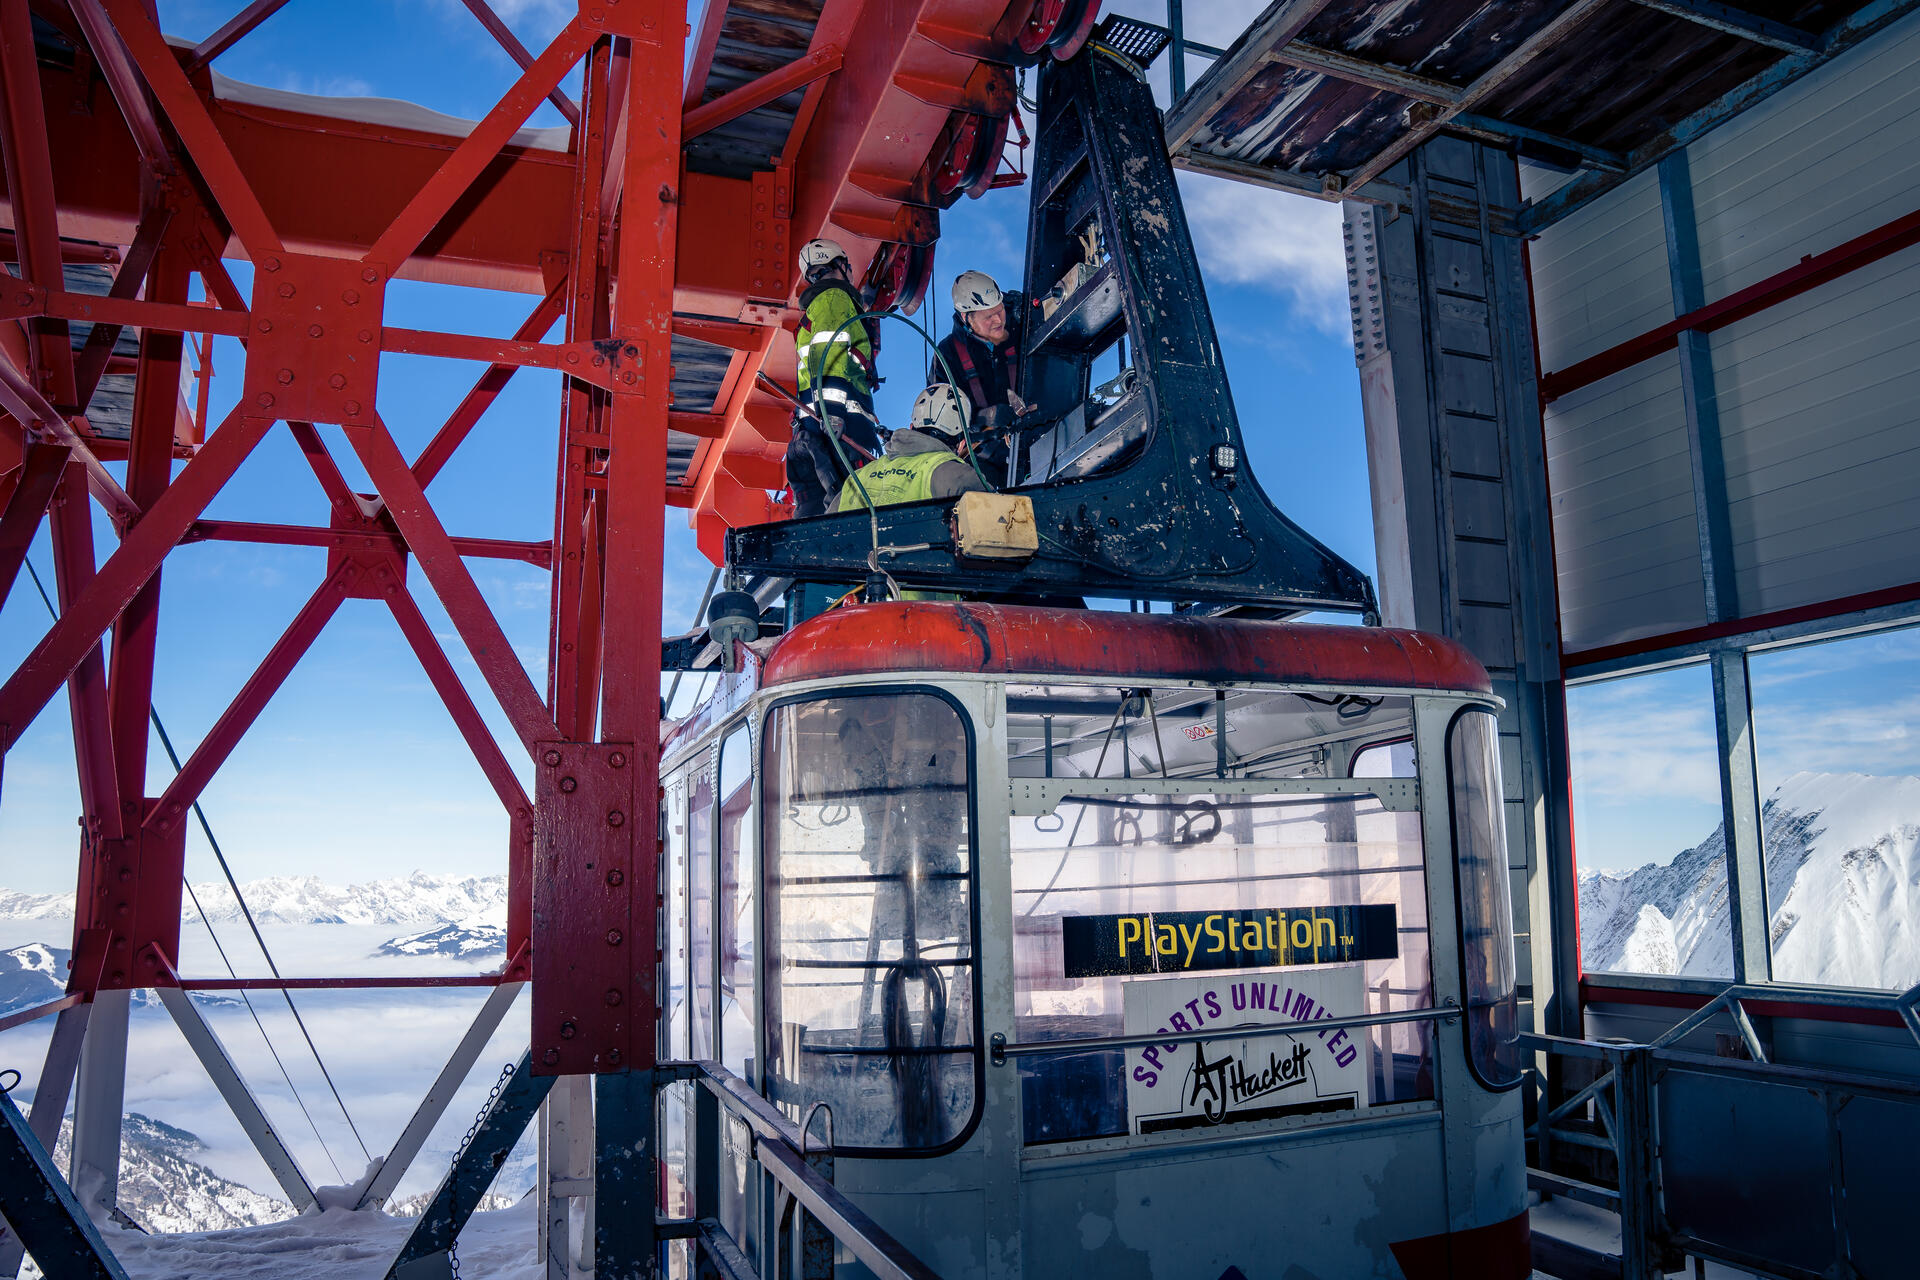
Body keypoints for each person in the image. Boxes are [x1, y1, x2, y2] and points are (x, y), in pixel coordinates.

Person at [837, 384, 986, 603]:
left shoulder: (857, 478)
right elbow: (995, 541)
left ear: (911, 426)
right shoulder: (957, 475)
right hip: (920, 618)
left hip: (846, 613)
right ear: (963, 441)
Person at [786, 238, 885, 517]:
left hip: (814, 430)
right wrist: (832, 414)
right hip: (841, 429)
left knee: (816, 513)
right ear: (840, 265)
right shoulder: (834, 298)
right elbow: (828, 353)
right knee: (853, 510)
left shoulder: (818, 306)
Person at [932, 270, 1030, 483]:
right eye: (988, 316)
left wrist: (1031, 308)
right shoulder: (948, 354)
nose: (998, 320)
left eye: (1000, 310)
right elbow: (941, 418)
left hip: (1033, 439)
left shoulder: (1022, 326)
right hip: (983, 458)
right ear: (966, 318)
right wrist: (984, 416)